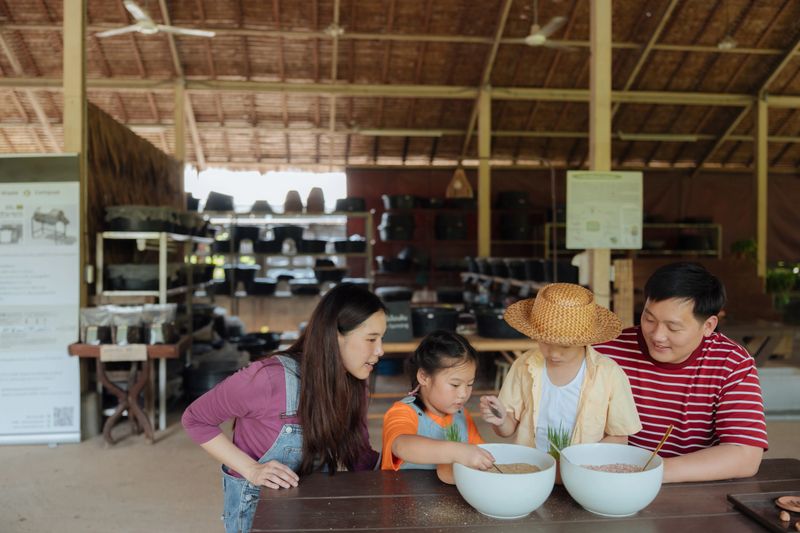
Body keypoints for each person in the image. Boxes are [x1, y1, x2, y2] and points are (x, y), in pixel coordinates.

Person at [182, 283, 387, 533]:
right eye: (371, 339)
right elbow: (195, 419)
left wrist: (409, 462)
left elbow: (360, 457)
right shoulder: (269, 378)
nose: (380, 350)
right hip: (255, 517)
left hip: (311, 511)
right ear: (335, 336)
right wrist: (252, 469)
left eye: (382, 339)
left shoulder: (354, 385)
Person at [593, 262, 768, 483]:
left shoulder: (731, 363)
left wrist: (647, 472)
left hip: (694, 489)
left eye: (673, 327)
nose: (657, 335)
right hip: (611, 483)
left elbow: (745, 455)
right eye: (649, 319)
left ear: (708, 326)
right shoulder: (606, 352)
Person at [480, 283, 641, 458]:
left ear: (585, 340)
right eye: (546, 342)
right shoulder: (524, 365)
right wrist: (500, 419)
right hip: (532, 467)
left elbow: (619, 438)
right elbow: (507, 430)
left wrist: (580, 459)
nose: (554, 353)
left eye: (565, 346)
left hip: (583, 471)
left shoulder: (609, 373)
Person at [380, 330, 495, 478]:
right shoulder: (403, 412)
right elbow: (401, 446)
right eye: (455, 385)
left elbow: (478, 452)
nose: (463, 394)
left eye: (470, 384)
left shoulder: (461, 414)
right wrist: (457, 451)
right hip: (404, 497)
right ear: (424, 377)